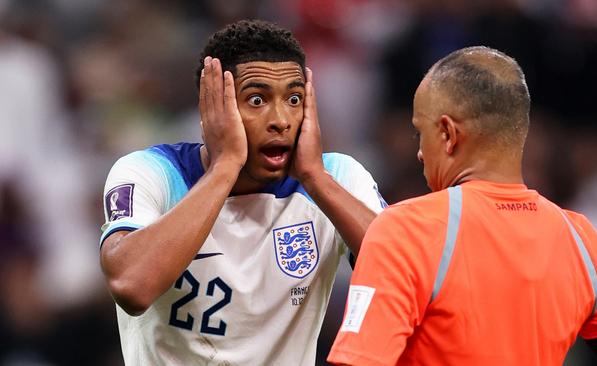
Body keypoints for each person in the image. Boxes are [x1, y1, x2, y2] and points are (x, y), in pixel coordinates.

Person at [327, 46, 597, 366]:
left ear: (448, 134)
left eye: (419, 133)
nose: (420, 153)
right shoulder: (578, 240)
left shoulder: (406, 229)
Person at [99, 19, 386, 365]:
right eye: (257, 99)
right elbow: (132, 285)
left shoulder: (338, 177)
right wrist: (224, 167)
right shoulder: (151, 172)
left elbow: (412, 273)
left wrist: (316, 179)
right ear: (212, 109)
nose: (280, 118)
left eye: (294, 98)